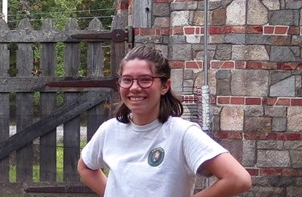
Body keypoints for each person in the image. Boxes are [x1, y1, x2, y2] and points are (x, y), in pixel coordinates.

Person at [78, 45, 251, 197]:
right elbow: (85, 167)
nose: (135, 87)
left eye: (145, 80)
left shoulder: (182, 133)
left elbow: (238, 179)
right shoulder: (110, 130)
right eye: (127, 80)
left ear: (165, 86)